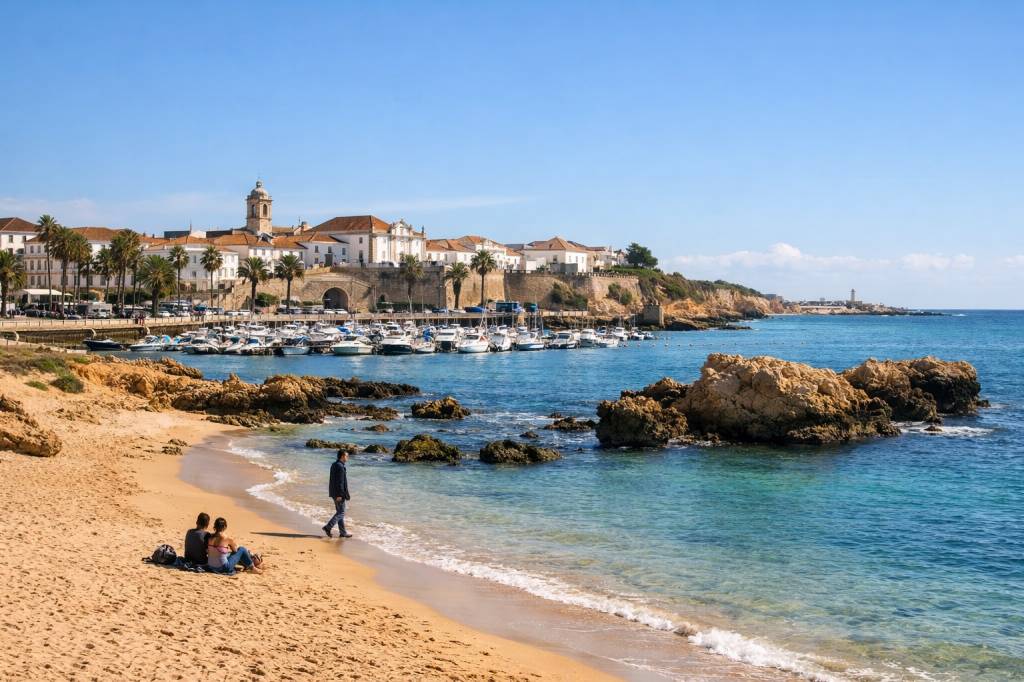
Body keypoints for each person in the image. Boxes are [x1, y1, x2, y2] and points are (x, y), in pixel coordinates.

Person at [322, 450, 352, 538]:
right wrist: (340, 495)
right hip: (338, 494)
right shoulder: (340, 467)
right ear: (342, 456)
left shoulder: (334, 464)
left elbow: (333, 481)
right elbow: (340, 482)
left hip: (334, 492)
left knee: (339, 512)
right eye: (347, 456)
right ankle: (328, 527)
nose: (348, 458)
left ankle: (343, 532)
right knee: (341, 513)